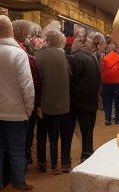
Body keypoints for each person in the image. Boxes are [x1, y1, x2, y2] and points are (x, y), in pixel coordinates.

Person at [0, 15, 34, 191]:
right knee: (17, 150)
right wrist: (29, 109)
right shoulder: (18, 54)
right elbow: (27, 86)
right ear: (10, 31)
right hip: (16, 112)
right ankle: (19, 181)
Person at [64, 31, 104, 165]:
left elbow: (69, 81)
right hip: (89, 102)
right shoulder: (93, 58)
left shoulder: (73, 58)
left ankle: (66, 160)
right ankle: (87, 156)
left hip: (74, 102)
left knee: (67, 132)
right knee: (87, 132)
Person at [35, 29, 71, 174]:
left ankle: (44, 163)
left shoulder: (39, 56)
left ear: (47, 41)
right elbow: (69, 76)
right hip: (62, 103)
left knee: (43, 135)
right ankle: (59, 164)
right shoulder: (63, 56)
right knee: (59, 134)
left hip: (45, 103)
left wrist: (37, 103)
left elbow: (37, 81)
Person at [11, 19, 42, 168]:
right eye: (30, 35)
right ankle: (23, 161)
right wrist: (34, 105)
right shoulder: (25, 55)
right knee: (25, 134)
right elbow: (32, 84)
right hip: (22, 103)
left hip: (4, 103)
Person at [101, 42, 119, 125]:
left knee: (108, 102)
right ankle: (118, 119)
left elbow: (103, 71)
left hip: (107, 83)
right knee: (118, 101)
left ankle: (107, 119)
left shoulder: (105, 58)